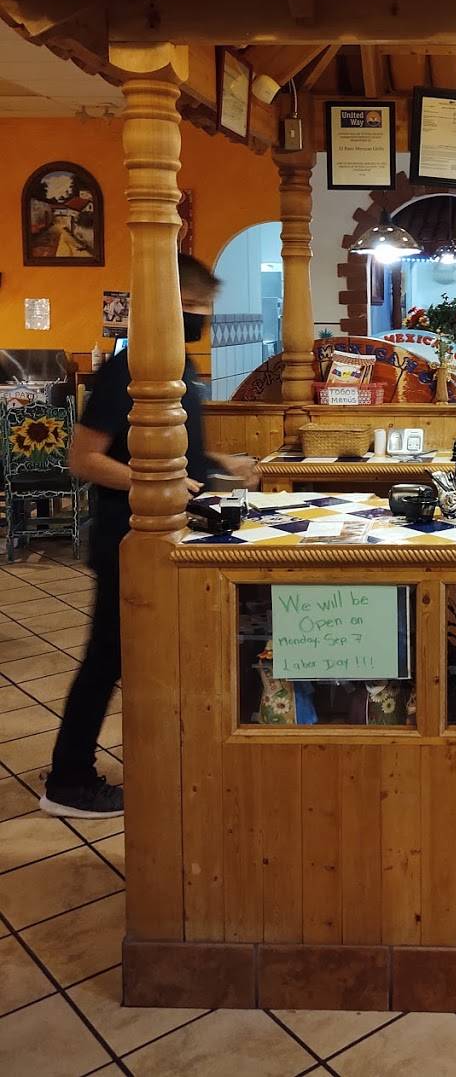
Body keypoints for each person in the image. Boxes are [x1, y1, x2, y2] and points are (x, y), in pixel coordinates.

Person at [41, 254, 256, 818]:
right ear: (165, 307)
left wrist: (222, 463)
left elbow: (172, 450)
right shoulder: (126, 370)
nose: (201, 317)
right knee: (106, 659)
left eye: (206, 306)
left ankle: (164, 760)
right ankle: (68, 781)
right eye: (193, 306)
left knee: (147, 655)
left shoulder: (175, 365)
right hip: (125, 538)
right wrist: (157, 483)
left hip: (166, 535)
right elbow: (85, 459)